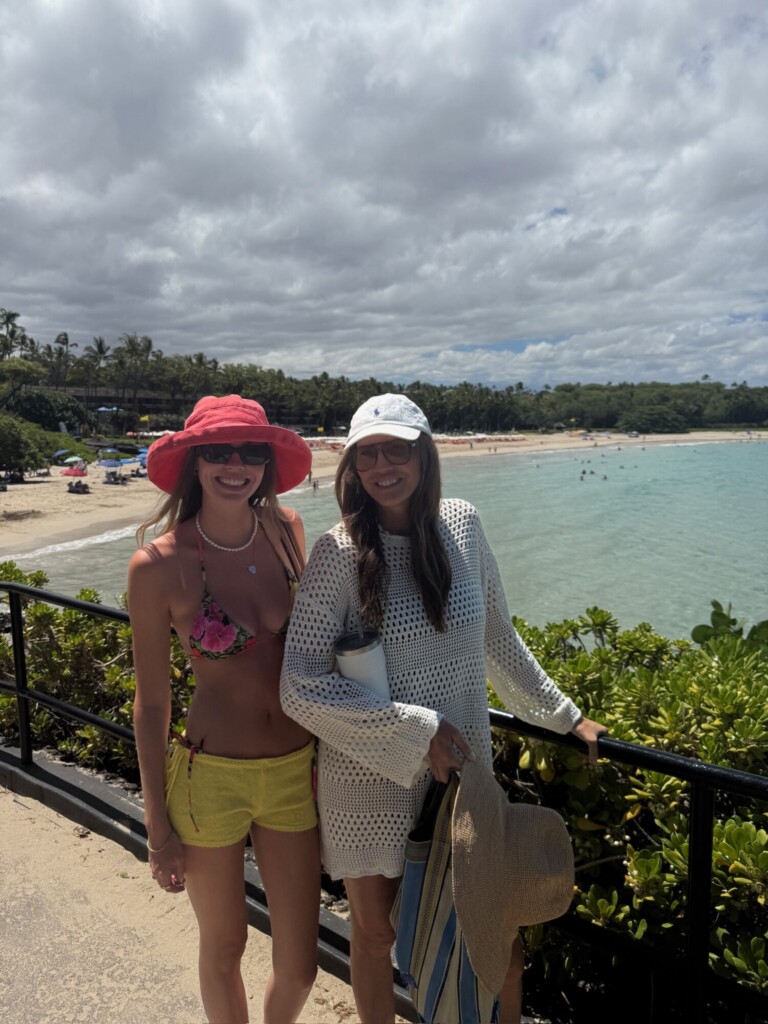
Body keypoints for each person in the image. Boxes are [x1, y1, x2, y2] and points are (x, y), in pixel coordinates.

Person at [280, 393, 607, 1024]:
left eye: (397, 449)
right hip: (369, 782)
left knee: (491, 934)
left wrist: (566, 717)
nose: (383, 466)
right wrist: (416, 731)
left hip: (462, 782)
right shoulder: (337, 554)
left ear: (424, 455)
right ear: (352, 467)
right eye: (368, 454)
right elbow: (299, 685)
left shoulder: (462, 524)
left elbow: (498, 642)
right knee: (376, 939)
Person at [128, 395, 320, 1024]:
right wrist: (156, 823)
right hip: (209, 779)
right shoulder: (158, 565)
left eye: (250, 451)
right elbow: (152, 702)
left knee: (300, 966)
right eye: (217, 451)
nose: (235, 465)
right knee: (225, 947)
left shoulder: (289, 531)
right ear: (194, 462)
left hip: (295, 771)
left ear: (267, 461)